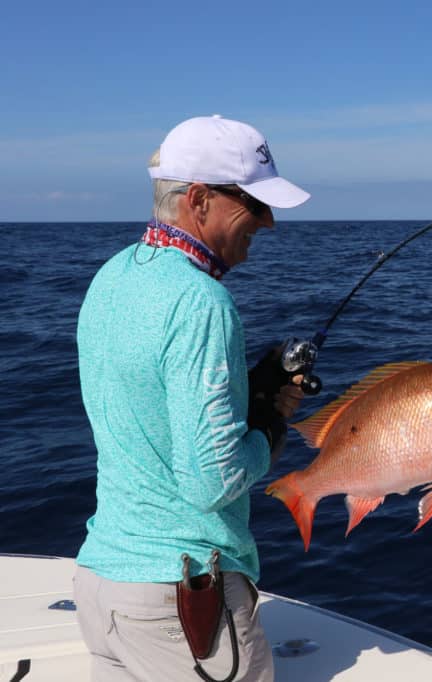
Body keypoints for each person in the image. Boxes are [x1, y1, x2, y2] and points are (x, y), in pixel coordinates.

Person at [74, 115, 311, 681]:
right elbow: (212, 482)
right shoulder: (202, 303)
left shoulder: (112, 277)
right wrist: (268, 431)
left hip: (102, 586)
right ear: (200, 200)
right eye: (254, 202)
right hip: (183, 607)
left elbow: (148, 409)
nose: (269, 221)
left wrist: (244, 401)